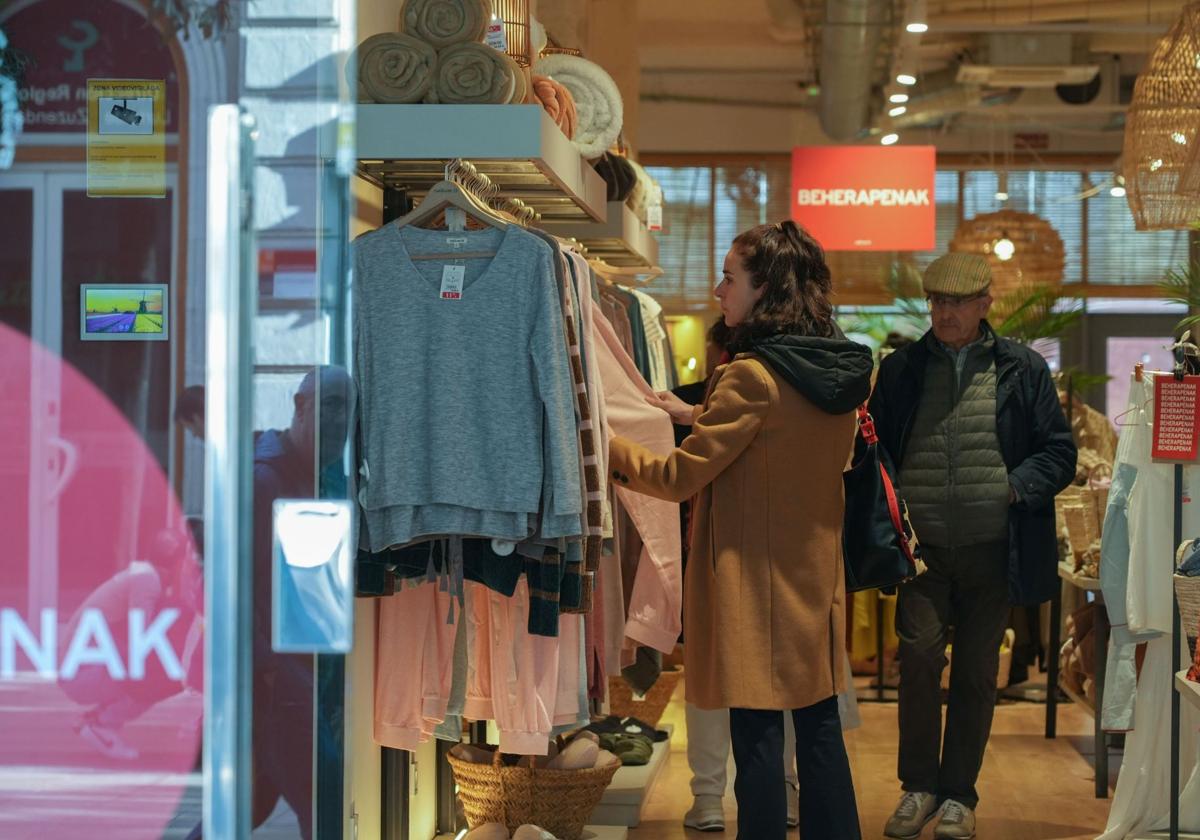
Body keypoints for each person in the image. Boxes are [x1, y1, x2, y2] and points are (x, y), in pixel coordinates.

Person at [610, 220, 872, 840]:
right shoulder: (836, 368)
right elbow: (781, 435)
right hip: (813, 580)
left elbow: (677, 477)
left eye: (730, 277)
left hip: (754, 586)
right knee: (818, 732)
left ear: (767, 289)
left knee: (755, 737)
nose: (718, 289)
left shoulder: (750, 375)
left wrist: (606, 446)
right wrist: (698, 412)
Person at [870, 253, 1076, 840]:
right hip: (923, 552)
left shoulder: (1023, 369)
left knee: (979, 674)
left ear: (986, 303)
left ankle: (959, 793)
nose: (944, 312)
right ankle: (918, 787)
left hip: (994, 548)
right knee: (916, 664)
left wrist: (1014, 488)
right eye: (936, 301)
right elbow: (877, 450)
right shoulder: (903, 368)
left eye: (956, 302)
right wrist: (894, 514)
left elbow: (1058, 451)